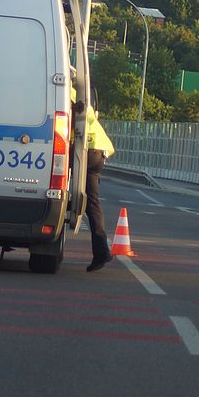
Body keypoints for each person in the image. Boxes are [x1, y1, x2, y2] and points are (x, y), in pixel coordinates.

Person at [81, 90, 116, 273]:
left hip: (87, 149)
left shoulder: (66, 92)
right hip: (98, 151)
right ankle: (101, 251)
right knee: (92, 204)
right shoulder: (79, 91)